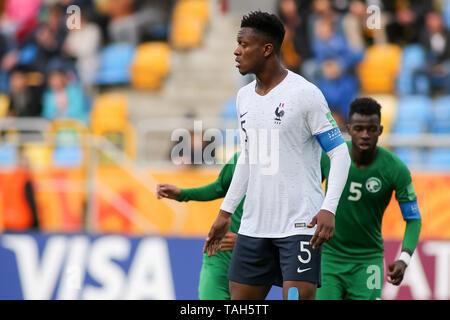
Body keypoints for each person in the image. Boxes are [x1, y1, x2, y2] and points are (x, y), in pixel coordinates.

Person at [204, 11, 351, 300]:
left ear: (267, 49)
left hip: (299, 226)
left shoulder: (305, 94)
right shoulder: (243, 97)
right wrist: (225, 212)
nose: (236, 51)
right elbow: (249, 157)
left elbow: (340, 153)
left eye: (244, 44)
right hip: (253, 227)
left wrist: (329, 208)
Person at [317, 97, 422, 300]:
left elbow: (413, 218)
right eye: (358, 128)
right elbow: (305, 193)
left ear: (380, 130)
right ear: (348, 128)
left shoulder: (395, 168)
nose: (365, 135)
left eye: (371, 129)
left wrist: (404, 258)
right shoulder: (330, 157)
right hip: (329, 257)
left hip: (367, 261)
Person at [156, 152, 243, 300]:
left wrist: (247, 242)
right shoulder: (239, 159)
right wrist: (182, 194)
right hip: (219, 254)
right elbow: (219, 187)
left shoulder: (285, 170)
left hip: (252, 260)